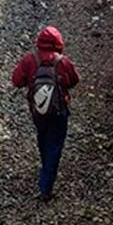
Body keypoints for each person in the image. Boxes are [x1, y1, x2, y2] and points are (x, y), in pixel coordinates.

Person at [11, 27, 80, 201]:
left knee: (43, 139)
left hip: (38, 111)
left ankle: (45, 170)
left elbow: (16, 81)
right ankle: (45, 186)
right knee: (55, 145)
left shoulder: (30, 60)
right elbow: (75, 80)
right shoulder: (62, 62)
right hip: (58, 110)